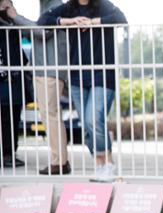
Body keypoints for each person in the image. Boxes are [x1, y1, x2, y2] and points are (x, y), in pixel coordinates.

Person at [39, 0, 127, 181]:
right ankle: (101, 165)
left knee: (93, 119)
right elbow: (42, 20)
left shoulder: (103, 5)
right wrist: (69, 21)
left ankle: (108, 165)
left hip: (103, 75)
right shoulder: (68, 9)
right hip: (77, 78)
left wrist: (93, 22)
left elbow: (121, 19)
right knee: (88, 127)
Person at [11, 0, 70, 175]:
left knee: (50, 115)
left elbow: (42, 32)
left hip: (48, 69)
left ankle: (59, 162)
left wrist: (16, 17)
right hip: (47, 69)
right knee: (51, 115)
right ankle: (60, 160)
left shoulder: (53, 5)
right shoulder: (51, 6)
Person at [0, 0, 27, 168]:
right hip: (6, 75)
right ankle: (7, 153)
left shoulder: (12, 23)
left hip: (13, 77)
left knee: (12, 114)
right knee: (6, 114)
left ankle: (9, 153)